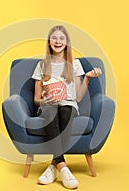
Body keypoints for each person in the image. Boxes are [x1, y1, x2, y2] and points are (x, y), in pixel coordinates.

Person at [31, 25, 102, 189]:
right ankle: (62, 166)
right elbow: (36, 98)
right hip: (48, 106)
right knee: (51, 111)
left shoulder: (75, 64)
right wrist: (44, 101)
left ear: (67, 43)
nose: (58, 41)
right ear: (49, 42)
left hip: (68, 105)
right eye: (54, 38)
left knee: (65, 110)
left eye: (61, 38)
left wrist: (88, 79)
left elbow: (77, 97)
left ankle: (54, 165)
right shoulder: (42, 66)